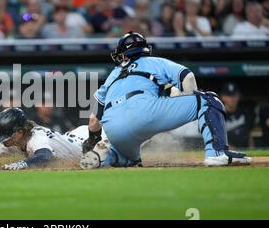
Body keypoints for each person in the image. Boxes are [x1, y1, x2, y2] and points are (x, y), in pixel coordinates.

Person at [80, 31, 250, 169]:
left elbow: (94, 119)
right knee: (209, 100)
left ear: (123, 55)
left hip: (113, 128)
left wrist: (92, 139)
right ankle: (217, 153)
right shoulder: (153, 61)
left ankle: (105, 157)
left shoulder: (112, 75)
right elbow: (187, 76)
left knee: (129, 158)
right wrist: (189, 102)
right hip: (144, 109)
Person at [0, 108, 105, 170]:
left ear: (18, 133)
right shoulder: (16, 140)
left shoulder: (37, 139)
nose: (3, 141)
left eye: (6, 136)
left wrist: (21, 164)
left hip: (93, 142)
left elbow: (44, 156)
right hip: (74, 137)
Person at [219, 82, 255, 148]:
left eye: (234, 95)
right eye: (229, 95)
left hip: (245, 151)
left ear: (239, 96)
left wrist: (252, 150)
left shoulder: (245, 112)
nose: (232, 99)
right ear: (222, 97)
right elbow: (217, 139)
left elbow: (249, 134)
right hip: (227, 152)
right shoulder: (218, 115)